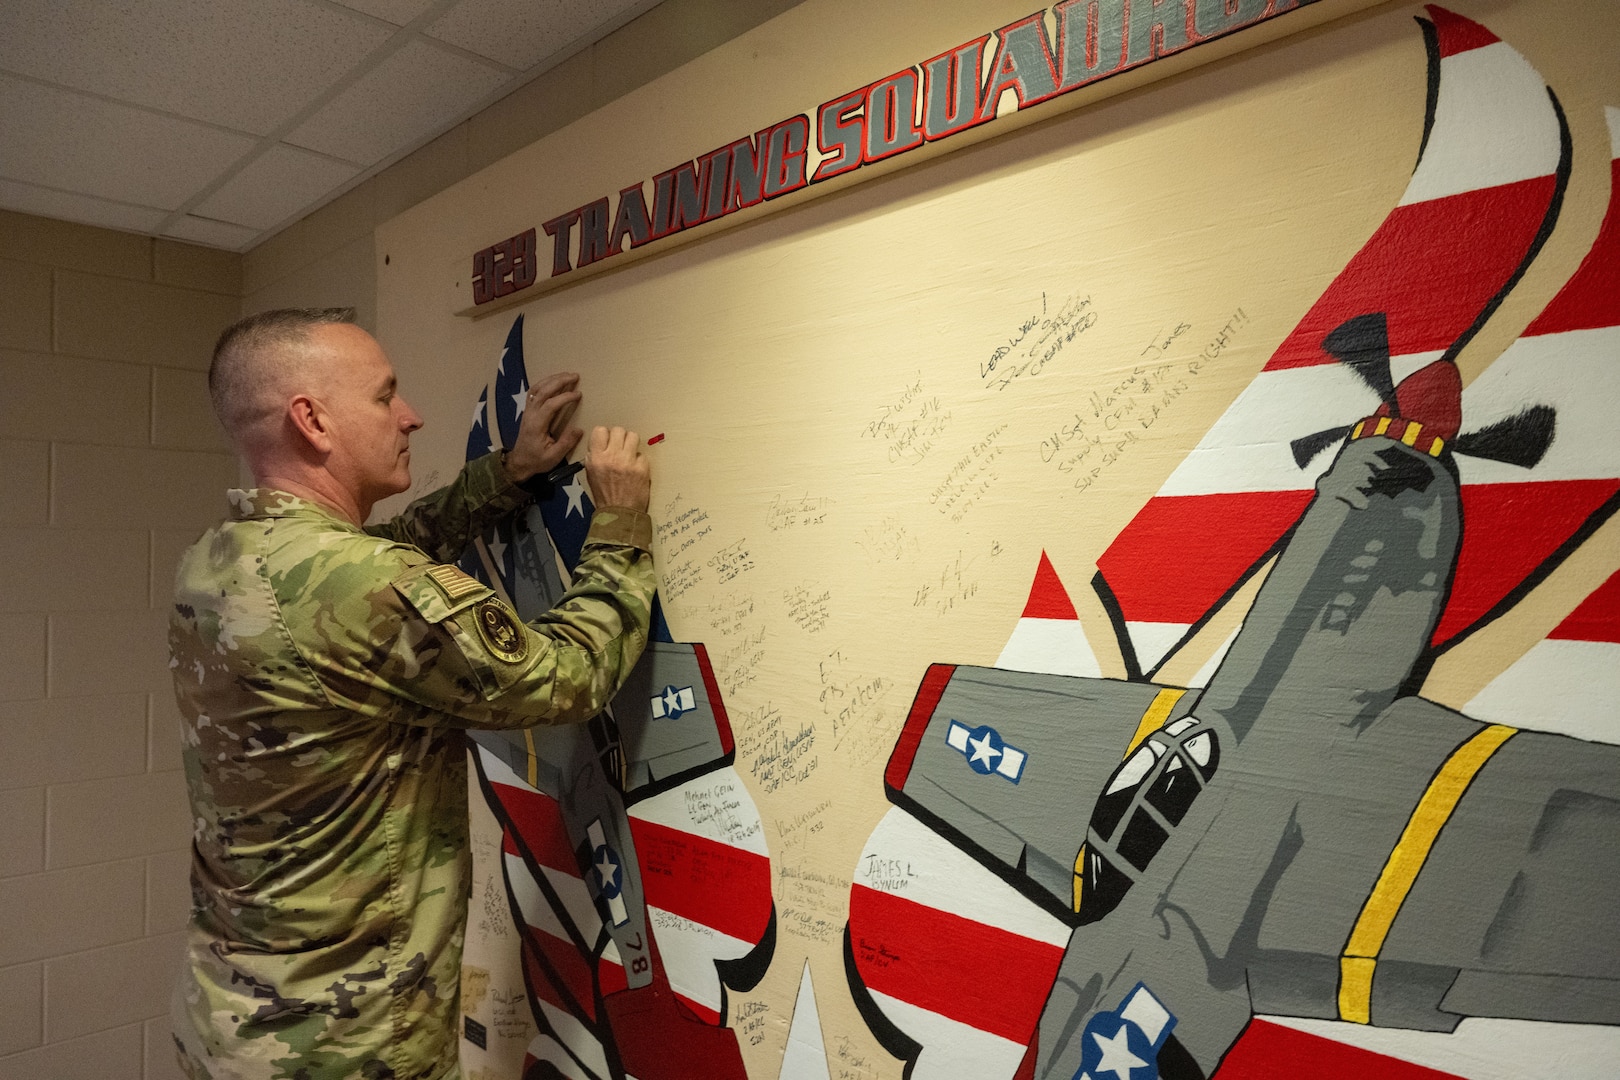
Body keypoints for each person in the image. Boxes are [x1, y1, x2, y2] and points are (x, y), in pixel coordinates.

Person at [168, 308, 655, 1080]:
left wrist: (508, 473)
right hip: (348, 1048)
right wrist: (620, 523)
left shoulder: (216, 560)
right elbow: (569, 678)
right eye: (384, 395)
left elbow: (374, 568)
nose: (411, 415)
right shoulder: (365, 586)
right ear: (313, 421)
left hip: (231, 1020)